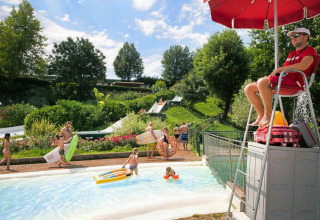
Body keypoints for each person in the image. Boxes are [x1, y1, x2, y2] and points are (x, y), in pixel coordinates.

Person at [245, 28, 318, 128]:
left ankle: (268, 115)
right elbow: (285, 72)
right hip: (286, 80)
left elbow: (303, 66)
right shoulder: (291, 54)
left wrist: (280, 69)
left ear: (306, 37)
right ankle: (261, 115)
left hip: (296, 83)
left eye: (296, 35)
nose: (293, 38)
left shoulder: (310, 50)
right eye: (292, 36)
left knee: (263, 82)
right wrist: (275, 74)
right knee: (248, 88)